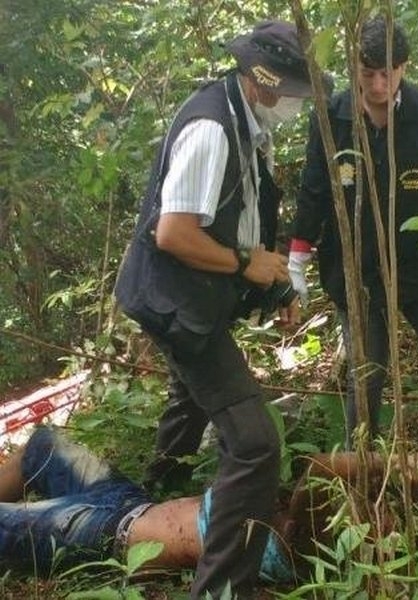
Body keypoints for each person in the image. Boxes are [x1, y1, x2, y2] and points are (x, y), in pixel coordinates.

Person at [114, 20, 326, 599]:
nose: (297, 102)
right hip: (174, 304)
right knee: (256, 444)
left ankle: (158, 494)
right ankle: (223, 586)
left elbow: (241, 216)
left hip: (193, 298)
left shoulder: (244, 120)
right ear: (262, 82)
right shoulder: (212, 128)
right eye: (292, 90)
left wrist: (273, 286)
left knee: (190, 399)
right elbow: (175, 233)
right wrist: (245, 265)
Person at [288, 16, 418, 461]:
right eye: (368, 74)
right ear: (353, 67)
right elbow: (315, 191)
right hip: (358, 271)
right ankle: (362, 469)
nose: (378, 84)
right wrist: (298, 257)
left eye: (388, 73)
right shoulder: (332, 117)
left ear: (403, 67)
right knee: (366, 377)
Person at [0, 426, 418, 585]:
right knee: (43, 443)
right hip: (130, 503)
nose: (382, 513)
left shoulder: (310, 544)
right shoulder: (309, 515)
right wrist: (405, 464)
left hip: (105, 532)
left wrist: (391, 462)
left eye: (387, 526)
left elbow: (318, 469)